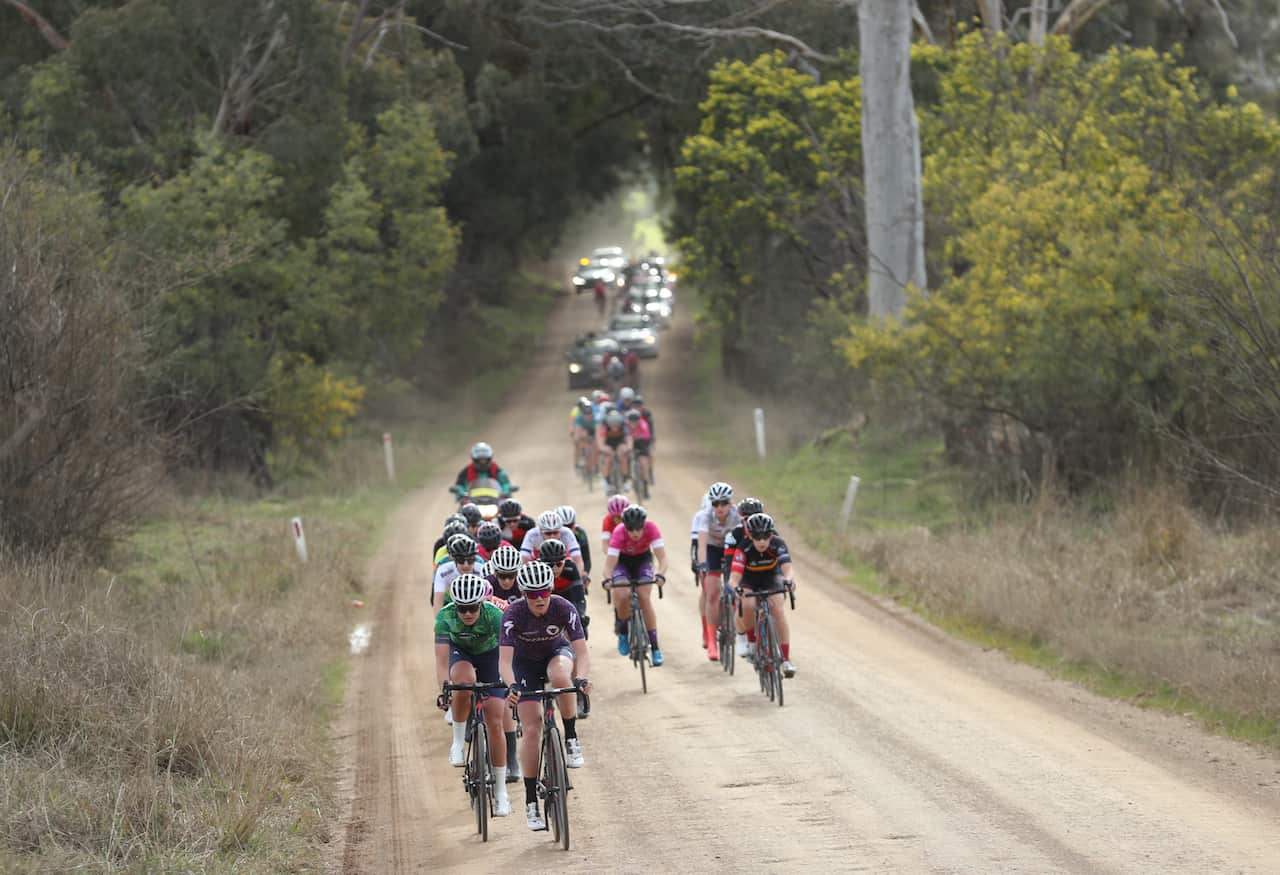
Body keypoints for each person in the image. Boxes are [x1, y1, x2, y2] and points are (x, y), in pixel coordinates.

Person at [500, 562, 591, 831]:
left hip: (555, 654)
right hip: (523, 665)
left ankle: (571, 736)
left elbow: (582, 652)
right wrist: (512, 685)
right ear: (523, 593)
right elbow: (504, 662)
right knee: (531, 728)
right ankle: (530, 801)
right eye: (532, 594)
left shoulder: (563, 607)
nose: (539, 599)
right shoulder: (513, 614)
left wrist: (582, 678)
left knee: (563, 677)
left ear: (551, 589)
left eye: (545, 592)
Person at [434, 573, 512, 816]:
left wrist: (512, 682)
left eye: (472, 608)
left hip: (491, 656)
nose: (467, 613)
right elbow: (441, 659)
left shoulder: (496, 615)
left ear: (481, 604)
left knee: (495, 722)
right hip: (462, 653)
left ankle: (501, 792)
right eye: (462, 608)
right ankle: (458, 742)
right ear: (455, 606)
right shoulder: (445, 616)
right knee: (463, 683)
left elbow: (510, 654)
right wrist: (445, 688)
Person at [727, 513, 796, 677]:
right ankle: (751, 641)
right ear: (750, 536)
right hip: (748, 579)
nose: (762, 541)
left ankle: (786, 659)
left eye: (766, 536)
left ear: (771, 534)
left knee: (778, 610)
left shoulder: (778, 544)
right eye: (757, 537)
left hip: (771, 578)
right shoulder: (743, 548)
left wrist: (788, 580)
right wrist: (736, 588)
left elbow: (787, 568)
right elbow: (734, 578)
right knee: (748, 605)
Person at [600, 505, 668, 665]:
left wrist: (660, 575)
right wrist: (608, 580)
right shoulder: (618, 532)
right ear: (625, 527)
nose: (635, 532)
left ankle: (655, 647)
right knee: (623, 594)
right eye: (631, 529)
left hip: (643, 561)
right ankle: (623, 632)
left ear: (644, 525)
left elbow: (663, 559)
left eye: (638, 528)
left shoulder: (652, 528)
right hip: (622, 563)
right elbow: (609, 566)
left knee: (644, 597)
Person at [692, 482, 741, 662]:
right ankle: (712, 641)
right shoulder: (705, 516)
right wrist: (703, 564)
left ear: (730, 503)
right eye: (715, 504)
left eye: (724, 503)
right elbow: (702, 544)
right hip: (712, 549)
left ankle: (733, 616)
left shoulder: (737, 516)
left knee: (736, 587)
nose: (719, 507)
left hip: (732, 550)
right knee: (712, 592)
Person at [722, 496, 764, 656]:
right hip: (741, 572)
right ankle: (742, 637)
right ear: (741, 518)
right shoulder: (734, 535)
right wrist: (732, 585)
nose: (751, 521)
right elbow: (729, 565)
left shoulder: (769, 531)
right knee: (740, 603)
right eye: (747, 518)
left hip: (763, 571)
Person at [540, 538, 589, 637]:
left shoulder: (570, 567)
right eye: (550, 565)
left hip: (567, 595)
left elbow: (579, 596)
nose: (555, 568)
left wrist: (581, 614)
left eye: (559, 564)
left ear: (564, 561)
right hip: (546, 597)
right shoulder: (537, 570)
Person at [519, 509, 585, 576]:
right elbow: (524, 559)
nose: (552, 536)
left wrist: (579, 578)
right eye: (548, 533)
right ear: (540, 531)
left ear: (560, 529)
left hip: (561, 560)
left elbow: (577, 559)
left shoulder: (567, 533)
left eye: (555, 532)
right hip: (539, 558)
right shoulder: (532, 534)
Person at [432, 534, 485, 608]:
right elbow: (438, 601)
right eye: (461, 560)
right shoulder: (443, 571)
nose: (466, 565)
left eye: (470, 560)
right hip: (450, 601)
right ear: (454, 560)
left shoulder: (481, 568)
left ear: (475, 559)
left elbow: (486, 600)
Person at [451, 442, 515, 502]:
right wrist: (460, 492)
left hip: (495, 501)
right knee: (461, 512)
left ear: (489, 459)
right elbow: (460, 485)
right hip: (472, 502)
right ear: (474, 459)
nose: (482, 462)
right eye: (480, 460)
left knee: (509, 511)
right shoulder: (465, 472)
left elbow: (505, 484)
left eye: (485, 460)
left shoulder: (498, 471)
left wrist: (506, 491)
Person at [596, 409, 632, 489]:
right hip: (608, 443)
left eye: (616, 425)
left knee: (623, 457)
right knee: (608, 459)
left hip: (620, 443)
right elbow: (601, 442)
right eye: (612, 425)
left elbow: (629, 438)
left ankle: (625, 480)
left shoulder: (624, 426)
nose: (615, 427)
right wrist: (603, 449)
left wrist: (628, 448)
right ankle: (606, 480)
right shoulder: (604, 426)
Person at [556, 505, 592, 577]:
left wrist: (585, 572)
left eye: (570, 525)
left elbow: (586, 558)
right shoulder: (552, 534)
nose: (568, 530)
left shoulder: (580, 533)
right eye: (564, 526)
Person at [626, 409, 652, 487]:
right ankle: (628, 477)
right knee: (626, 456)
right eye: (631, 420)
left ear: (638, 420)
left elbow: (647, 435)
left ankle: (645, 485)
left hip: (642, 442)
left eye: (635, 420)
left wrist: (638, 437)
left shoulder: (643, 423)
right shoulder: (626, 424)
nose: (633, 422)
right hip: (631, 442)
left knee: (643, 462)